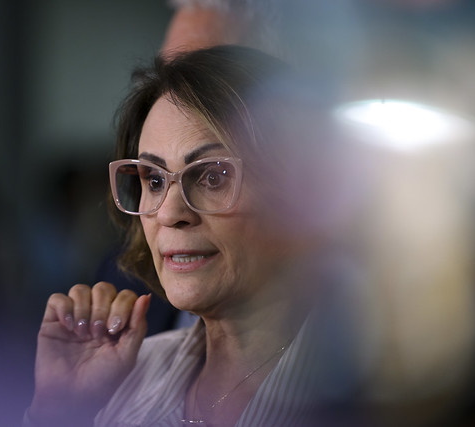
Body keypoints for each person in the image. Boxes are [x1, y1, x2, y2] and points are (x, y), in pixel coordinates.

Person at [25, 45, 356, 427]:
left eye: (213, 177)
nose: (169, 213)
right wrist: (60, 410)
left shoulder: (377, 389)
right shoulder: (126, 375)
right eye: (153, 179)